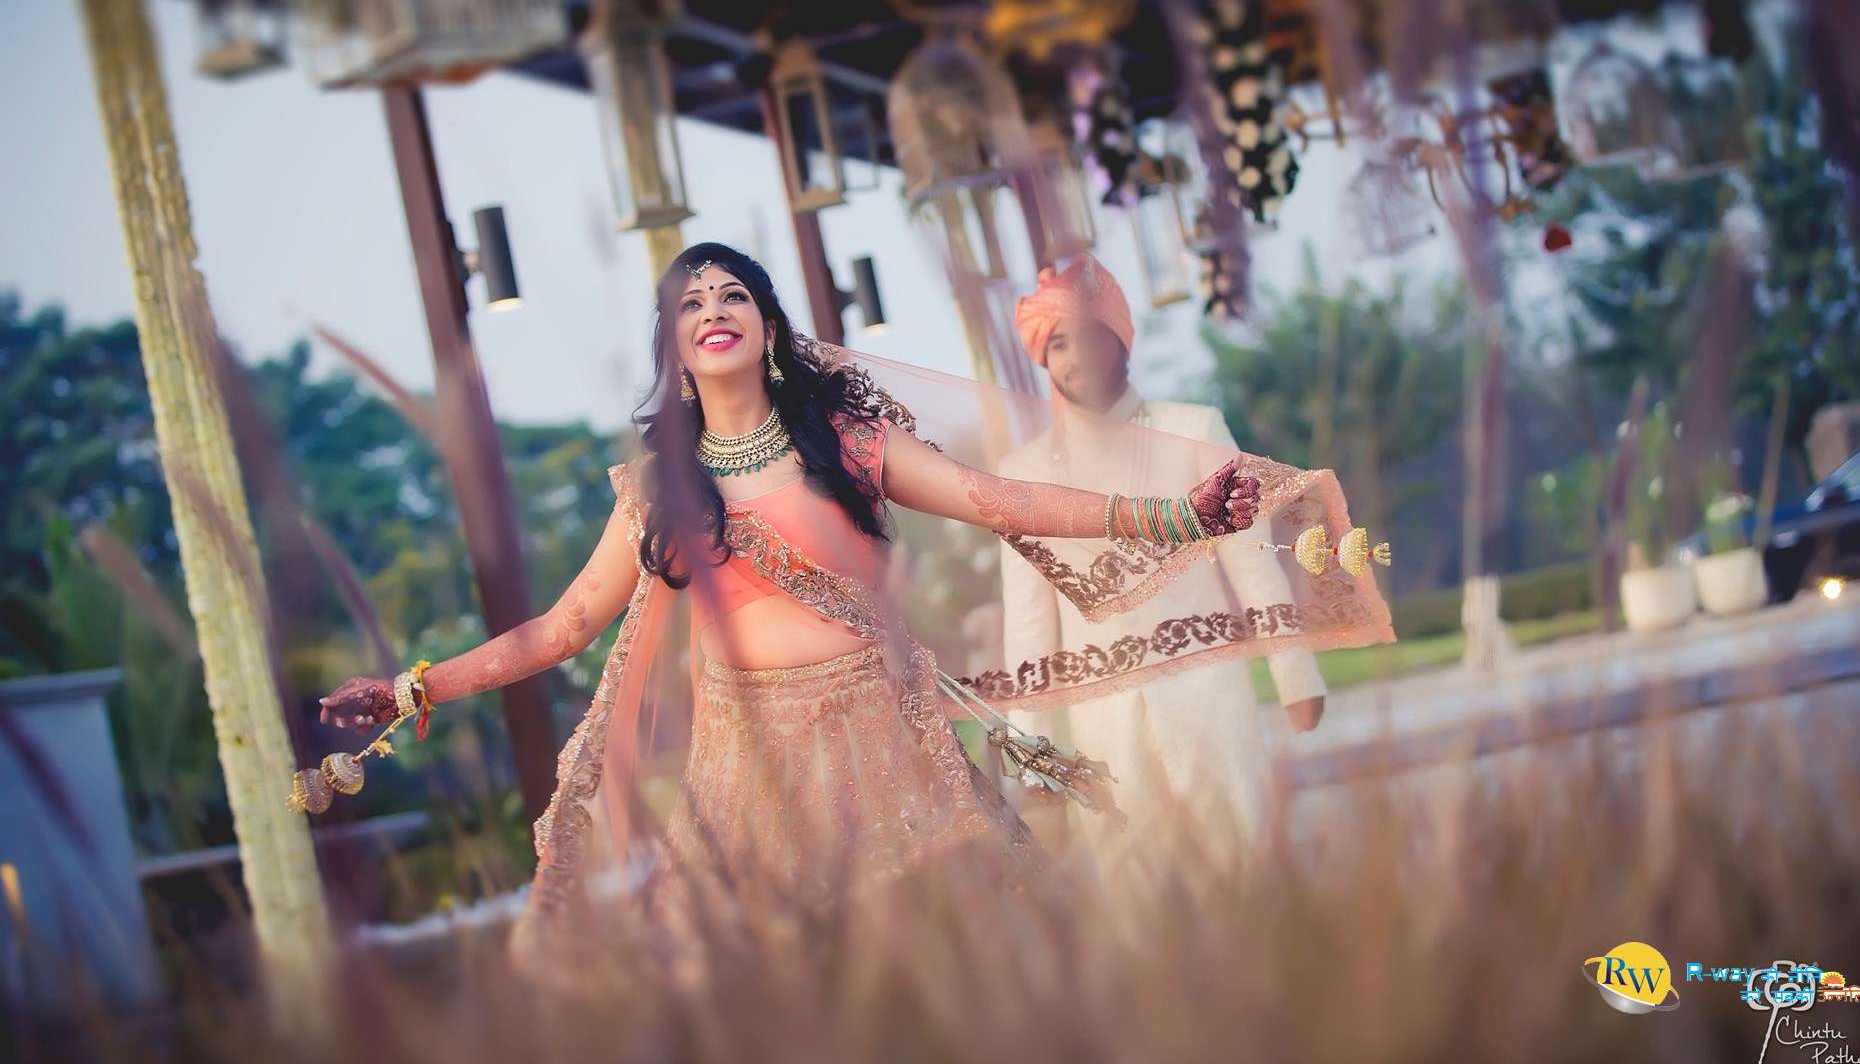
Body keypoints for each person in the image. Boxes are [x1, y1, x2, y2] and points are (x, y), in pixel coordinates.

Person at [314, 243, 1322, 959]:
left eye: (733, 294)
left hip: (885, 752)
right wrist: (415, 688)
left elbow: (998, 500)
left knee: (938, 975)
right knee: (787, 1002)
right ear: (674, 346)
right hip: (745, 775)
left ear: (767, 328)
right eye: (690, 302)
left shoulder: (845, 441)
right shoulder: (659, 488)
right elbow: (563, 626)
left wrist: (1171, 515)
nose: (713, 308)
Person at [997, 255, 1328, 875]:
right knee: (1136, 901)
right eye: (1059, 343)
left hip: (1209, 703)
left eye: (1089, 337)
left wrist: (1296, 676)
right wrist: (1028, 753)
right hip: (1104, 730)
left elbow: (1254, 564)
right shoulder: (1023, 474)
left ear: (1120, 340)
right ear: (1042, 357)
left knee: (1247, 872)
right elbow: (1028, 628)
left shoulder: (1195, 429)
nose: (1076, 358)